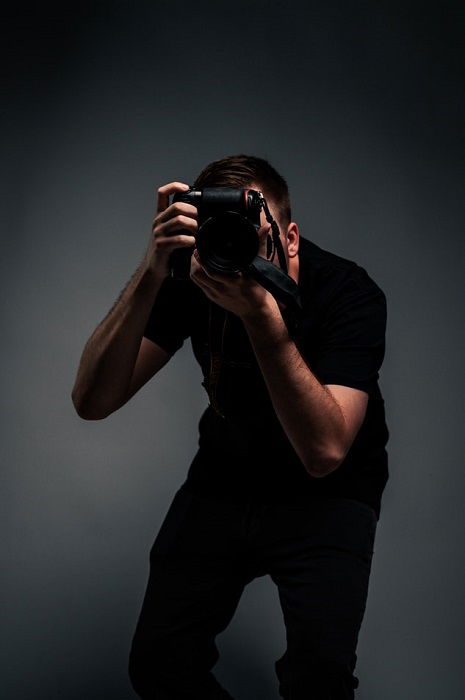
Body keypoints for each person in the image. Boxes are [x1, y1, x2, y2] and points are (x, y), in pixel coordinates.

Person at [71, 154, 389, 699]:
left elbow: (326, 451)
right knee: (159, 662)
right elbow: (93, 400)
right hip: (226, 478)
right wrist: (152, 270)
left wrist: (261, 317)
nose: (233, 250)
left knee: (320, 678)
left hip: (328, 495)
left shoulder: (347, 292)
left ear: (289, 238)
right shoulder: (199, 274)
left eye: (252, 235)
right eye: (222, 234)